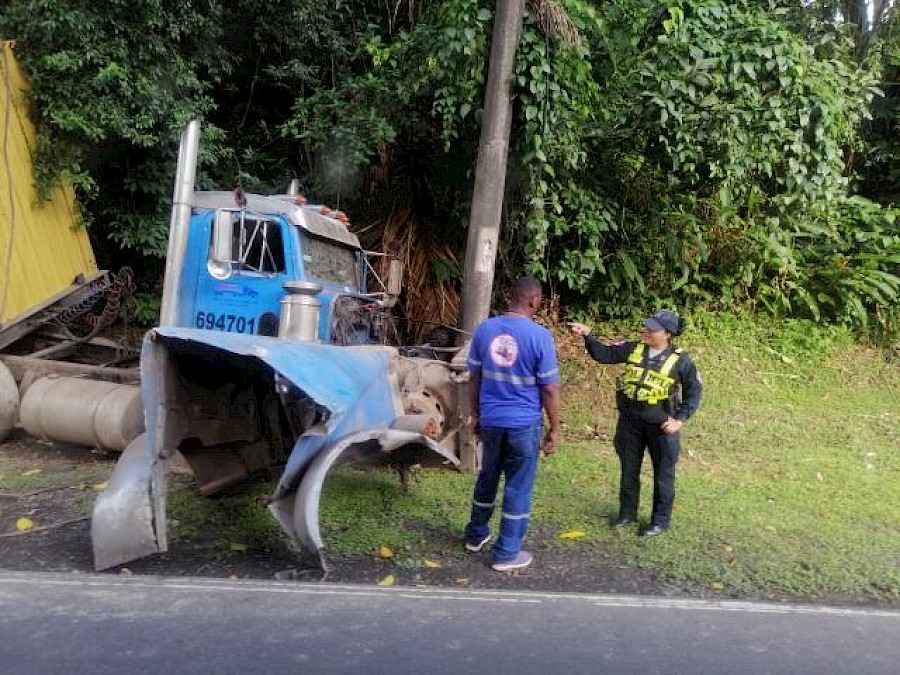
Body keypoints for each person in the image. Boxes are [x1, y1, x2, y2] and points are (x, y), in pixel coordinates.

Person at [570, 310, 701, 537]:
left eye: (653, 329)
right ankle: (627, 514)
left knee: (663, 473)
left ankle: (659, 521)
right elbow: (605, 355)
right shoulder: (634, 348)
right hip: (630, 420)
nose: (647, 332)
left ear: (668, 334)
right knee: (629, 468)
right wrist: (588, 335)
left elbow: (694, 392)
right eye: (647, 327)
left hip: (661, 424)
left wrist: (679, 420)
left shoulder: (682, 360)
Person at [464, 277, 562, 571]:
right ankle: (507, 553)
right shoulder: (539, 336)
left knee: (488, 476)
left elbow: (474, 379)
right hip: (523, 424)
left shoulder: (485, 329)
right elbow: (549, 389)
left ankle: (475, 534)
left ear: (511, 297)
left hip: (491, 421)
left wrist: (476, 416)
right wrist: (555, 428)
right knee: (518, 486)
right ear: (533, 301)